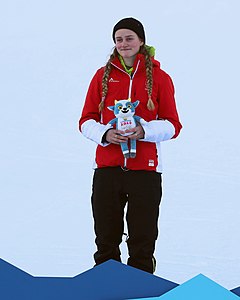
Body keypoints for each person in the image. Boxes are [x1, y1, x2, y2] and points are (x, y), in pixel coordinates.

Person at [79, 17, 182, 274]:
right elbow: (85, 120)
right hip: (107, 169)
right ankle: (106, 286)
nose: (124, 43)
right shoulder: (101, 77)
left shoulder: (160, 78)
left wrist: (143, 130)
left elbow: (173, 125)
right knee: (106, 239)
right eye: (119, 39)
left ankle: (141, 287)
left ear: (141, 41)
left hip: (145, 172)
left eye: (129, 38)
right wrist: (106, 134)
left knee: (142, 241)